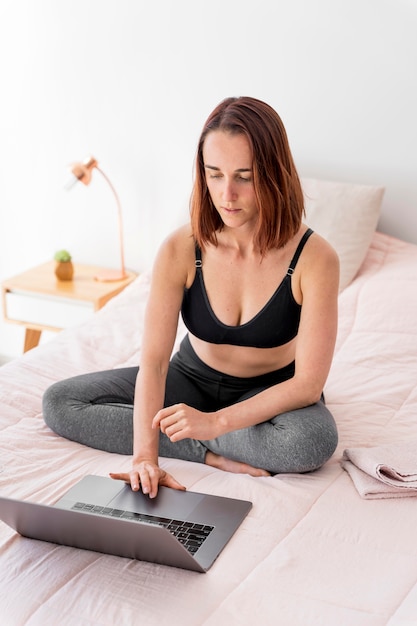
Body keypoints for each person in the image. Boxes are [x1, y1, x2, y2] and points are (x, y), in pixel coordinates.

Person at [43, 96, 339, 498]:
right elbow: (153, 362)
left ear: (274, 175)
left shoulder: (315, 258)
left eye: (244, 177)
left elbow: (307, 385)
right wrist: (146, 457)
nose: (227, 195)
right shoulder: (181, 248)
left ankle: (207, 435)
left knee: (310, 442)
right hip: (191, 378)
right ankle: (203, 451)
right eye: (214, 175)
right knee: (61, 403)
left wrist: (215, 423)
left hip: (272, 391)